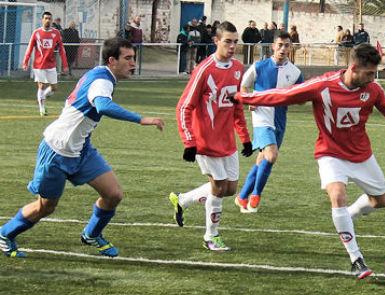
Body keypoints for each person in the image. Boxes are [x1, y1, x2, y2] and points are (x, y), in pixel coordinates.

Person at [232, 43, 385, 279]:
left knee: (381, 201)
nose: (372, 78)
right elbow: (283, 95)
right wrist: (244, 97)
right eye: (369, 73)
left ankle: (350, 214)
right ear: (354, 67)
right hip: (330, 153)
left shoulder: (373, 90)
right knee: (337, 194)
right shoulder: (322, 86)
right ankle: (356, 259)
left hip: (361, 155)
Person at [0, 38, 165, 259]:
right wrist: (141, 119)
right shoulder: (102, 81)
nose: (133, 63)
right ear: (111, 60)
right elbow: (103, 105)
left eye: (133, 58)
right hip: (57, 151)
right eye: (128, 58)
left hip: (81, 149)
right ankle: (5, 234)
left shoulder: (102, 74)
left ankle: (91, 234)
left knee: (113, 194)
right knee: (45, 207)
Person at [170, 33, 304, 216]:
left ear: (291, 48)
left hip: (280, 120)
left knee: (252, 169)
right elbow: (242, 87)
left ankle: (235, 197)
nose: (282, 49)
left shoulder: (295, 72)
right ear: (273, 46)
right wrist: (251, 100)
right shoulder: (259, 67)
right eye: (279, 45)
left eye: (286, 46)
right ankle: (254, 196)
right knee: (271, 156)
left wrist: (291, 96)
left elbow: (301, 97)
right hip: (261, 119)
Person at [174, 21, 253, 251]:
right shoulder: (204, 69)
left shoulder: (238, 67)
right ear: (216, 41)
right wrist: (189, 143)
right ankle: (211, 236)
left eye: (235, 42)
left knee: (229, 190)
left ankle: (183, 200)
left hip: (227, 140)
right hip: (205, 141)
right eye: (227, 41)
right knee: (218, 188)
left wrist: (245, 137)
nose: (232, 46)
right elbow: (183, 107)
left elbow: (237, 106)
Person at [23, 11, 68, 116]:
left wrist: (65, 64)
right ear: (42, 20)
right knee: (42, 85)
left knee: (54, 88)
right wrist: (25, 61)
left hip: (51, 65)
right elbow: (29, 48)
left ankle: (42, 97)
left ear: (52, 21)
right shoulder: (36, 33)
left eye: (49, 19)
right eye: (46, 18)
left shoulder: (56, 33)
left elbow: (61, 49)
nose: (48, 20)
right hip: (39, 65)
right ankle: (42, 109)